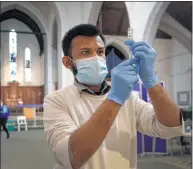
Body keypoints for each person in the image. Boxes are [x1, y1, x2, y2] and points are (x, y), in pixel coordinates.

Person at [43, 24, 184, 169]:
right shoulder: (56, 100)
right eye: (86, 52)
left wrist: (151, 81)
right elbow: (70, 157)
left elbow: (171, 127)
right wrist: (115, 98)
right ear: (68, 62)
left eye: (100, 51)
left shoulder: (129, 98)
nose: (96, 58)